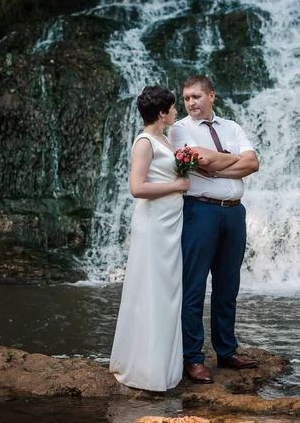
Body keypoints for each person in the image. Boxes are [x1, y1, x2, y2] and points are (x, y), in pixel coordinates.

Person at [168, 75, 260, 384]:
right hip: (200, 211)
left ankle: (226, 352)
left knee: (227, 287)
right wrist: (233, 162)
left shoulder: (232, 127)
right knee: (193, 287)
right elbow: (200, 163)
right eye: (186, 98)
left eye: (196, 96)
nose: (191, 103)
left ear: (211, 95)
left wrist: (216, 164)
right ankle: (192, 358)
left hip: (234, 214)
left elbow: (253, 163)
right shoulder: (179, 129)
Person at [110, 85, 190, 391]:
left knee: (168, 290)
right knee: (152, 289)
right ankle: (146, 369)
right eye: (172, 107)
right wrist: (177, 186)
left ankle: (165, 364)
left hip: (170, 223)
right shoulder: (144, 142)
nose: (176, 111)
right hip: (154, 224)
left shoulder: (165, 139)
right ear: (161, 112)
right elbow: (137, 187)